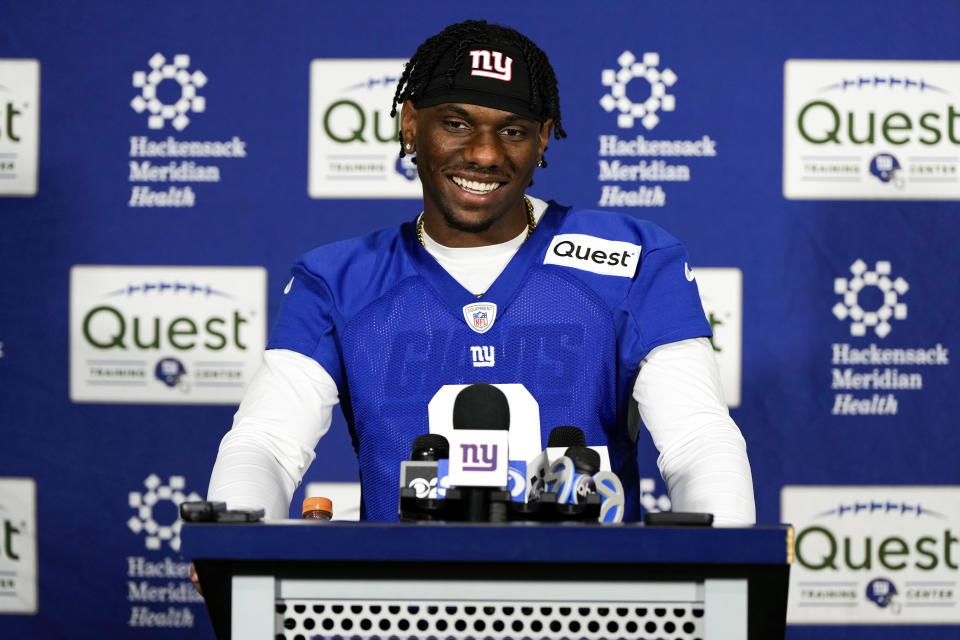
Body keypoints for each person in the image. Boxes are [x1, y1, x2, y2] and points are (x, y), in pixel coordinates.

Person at [207, 19, 755, 525]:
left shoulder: (633, 258)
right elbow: (267, 444)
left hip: (590, 608)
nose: (485, 154)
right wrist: (230, 539)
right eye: (456, 123)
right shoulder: (337, 279)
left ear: (543, 138)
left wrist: (730, 570)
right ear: (411, 125)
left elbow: (696, 441)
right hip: (396, 610)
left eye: (512, 131)